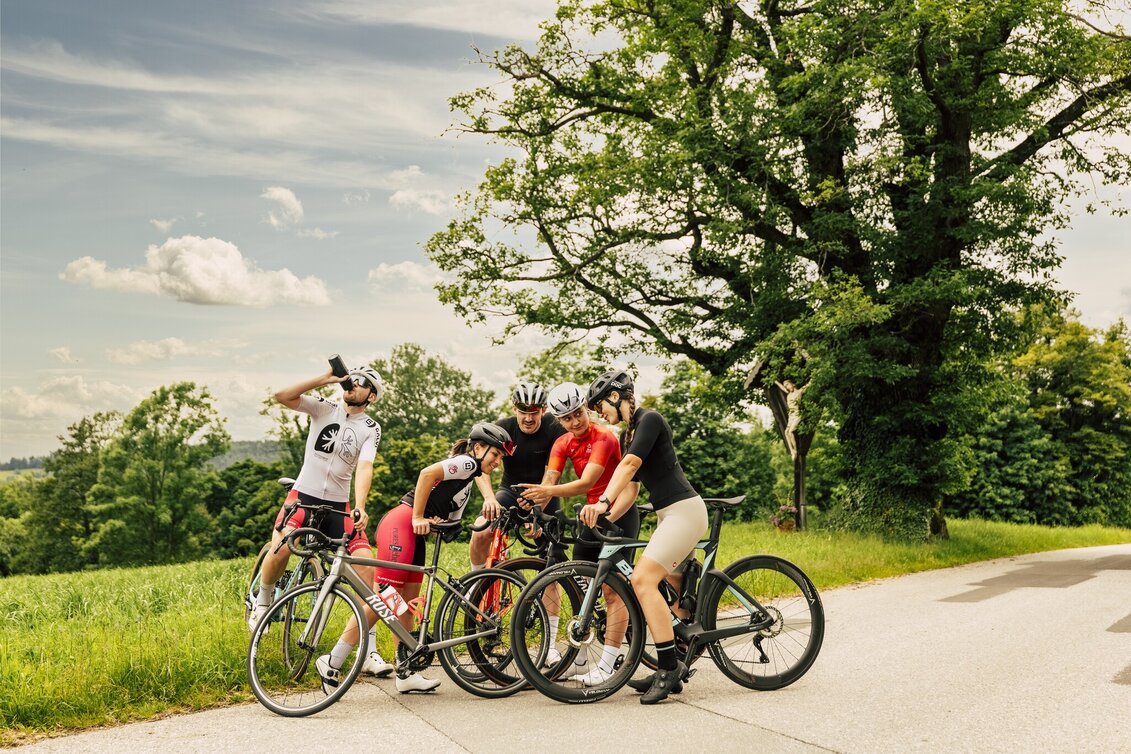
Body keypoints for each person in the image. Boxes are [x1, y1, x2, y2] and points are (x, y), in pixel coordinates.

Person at [317, 422, 515, 694]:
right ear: (478, 448)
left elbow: (446, 516)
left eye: (501, 458)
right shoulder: (467, 463)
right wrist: (419, 516)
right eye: (495, 455)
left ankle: (406, 670)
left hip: (414, 535)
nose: (497, 462)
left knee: (409, 604)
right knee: (384, 600)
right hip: (401, 525)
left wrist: (434, 523)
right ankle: (332, 660)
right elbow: (426, 474)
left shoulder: (467, 481)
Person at [250, 363, 394, 677]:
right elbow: (281, 395)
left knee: (366, 567)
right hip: (304, 496)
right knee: (282, 548)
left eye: (363, 383)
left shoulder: (370, 427)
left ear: (372, 396)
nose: (354, 385)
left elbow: (365, 467)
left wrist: (360, 505)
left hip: (338, 505)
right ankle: (263, 601)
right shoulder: (324, 408)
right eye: (352, 380)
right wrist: (325, 379)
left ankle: (367, 651)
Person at [583, 369, 709, 705]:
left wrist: (602, 500)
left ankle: (668, 669)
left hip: (685, 511)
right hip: (670, 515)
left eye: (600, 406)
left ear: (615, 396)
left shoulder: (649, 420)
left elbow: (628, 467)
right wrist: (606, 514)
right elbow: (633, 487)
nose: (599, 414)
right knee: (655, 589)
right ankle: (673, 662)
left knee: (641, 580)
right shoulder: (629, 434)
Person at [518, 381, 640, 686]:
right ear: (558, 420)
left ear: (586, 409)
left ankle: (609, 664)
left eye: (578, 414)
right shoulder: (563, 443)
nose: (575, 422)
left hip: (619, 512)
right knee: (583, 587)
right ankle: (581, 659)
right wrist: (535, 512)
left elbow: (586, 483)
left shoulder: (605, 437)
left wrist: (544, 490)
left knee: (613, 590)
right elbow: (550, 480)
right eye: (567, 419)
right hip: (591, 516)